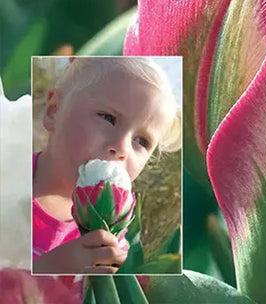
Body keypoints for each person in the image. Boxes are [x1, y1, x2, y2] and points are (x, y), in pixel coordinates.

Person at [32, 57, 181, 274]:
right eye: (108, 118)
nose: (121, 148)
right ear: (54, 111)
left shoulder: (114, 242)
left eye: (141, 141)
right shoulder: (7, 178)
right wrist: (47, 269)